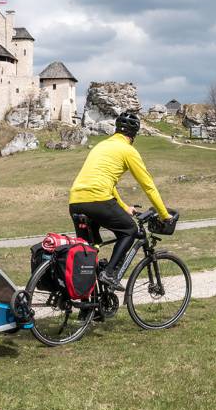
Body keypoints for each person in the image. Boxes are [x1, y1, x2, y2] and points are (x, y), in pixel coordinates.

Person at [68, 111, 171, 290]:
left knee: (88, 255)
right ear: (134, 134)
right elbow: (148, 186)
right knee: (129, 229)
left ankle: (90, 309)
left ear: (116, 129)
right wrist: (165, 215)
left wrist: (124, 207)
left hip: (75, 201)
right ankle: (110, 273)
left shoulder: (101, 145)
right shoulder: (128, 150)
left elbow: (106, 183)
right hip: (98, 199)